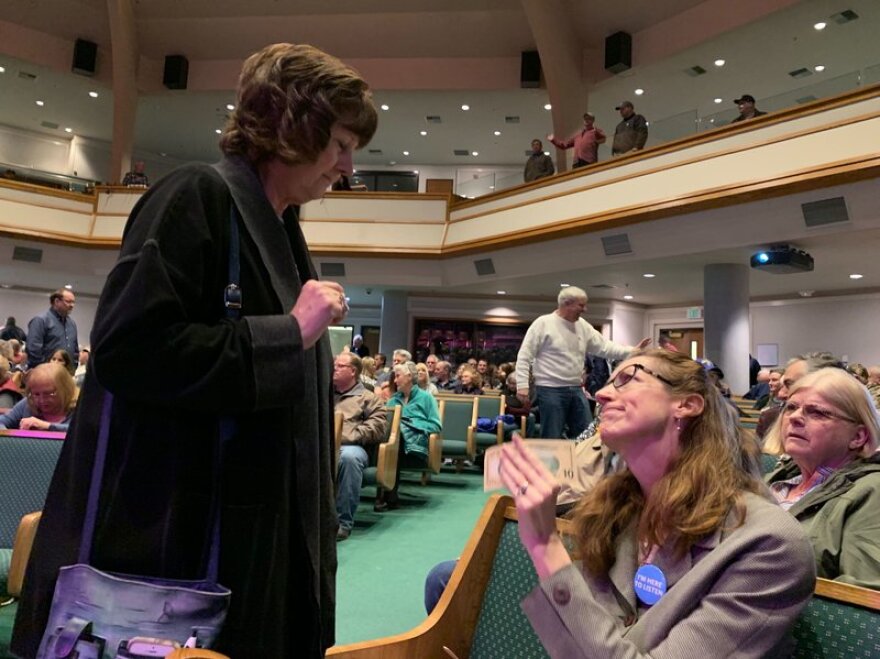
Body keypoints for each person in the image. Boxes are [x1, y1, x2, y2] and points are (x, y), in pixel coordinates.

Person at [12, 42, 377, 659]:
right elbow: (129, 350)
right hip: (186, 538)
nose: (347, 166)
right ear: (291, 125)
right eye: (340, 143)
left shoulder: (281, 226)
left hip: (253, 536)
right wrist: (289, 332)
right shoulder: (194, 197)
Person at [500, 349, 815, 657]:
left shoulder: (770, 543)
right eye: (607, 382)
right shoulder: (618, 509)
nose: (602, 395)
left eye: (627, 378)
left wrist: (544, 545)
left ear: (686, 404)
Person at [763, 367, 880, 589]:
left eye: (817, 412)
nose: (795, 417)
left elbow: (863, 599)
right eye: (791, 407)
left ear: (857, 436)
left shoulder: (872, 492)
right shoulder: (776, 479)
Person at [515, 286, 649, 439]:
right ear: (567, 304)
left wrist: (632, 351)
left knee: (587, 434)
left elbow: (604, 347)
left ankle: (581, 463)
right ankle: (552, 463)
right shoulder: (543, 324)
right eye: (581, 305)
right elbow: (524, 356)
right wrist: (522, 386)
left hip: (576, 388)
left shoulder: (583, 326)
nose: (585, 309)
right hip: (550, 389)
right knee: (552, 436)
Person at [333, 352, 387, 541]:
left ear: (353, 371)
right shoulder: (323, 393)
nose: (335, 368)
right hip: (323, 445)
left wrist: (349, 435)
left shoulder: (368, 397)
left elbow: (378, 425)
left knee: (348, 458)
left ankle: (343, 523)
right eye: (335, 365)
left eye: (340, 366)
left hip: (351, 447)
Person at [377, 361, 442, 511]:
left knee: (394, 440)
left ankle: (384, 494)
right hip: (397, 445)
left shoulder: (426, 398)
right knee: (389, 440)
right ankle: (387, 494)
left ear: (409, 376)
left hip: (417, 445)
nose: (394, 380)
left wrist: (411, 425)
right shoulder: (393, 400)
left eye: (397, 376)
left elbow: (435, 425)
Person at [0, 362, 75, 432]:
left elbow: (82, 432)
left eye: (48, 394)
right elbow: (2, 421)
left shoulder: (79, 408)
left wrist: (47, 426)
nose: (41, 400)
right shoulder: (27, 403)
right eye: (36, 394)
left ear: (65, 390)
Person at [25, 288, 79, 368]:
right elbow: (34, 350)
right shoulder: (40, 321)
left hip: (65, 374)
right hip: (44, 374)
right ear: (56, 301)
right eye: (68, 302)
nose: (72, 305)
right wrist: (46, 370)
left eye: (73, 302)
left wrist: (73, 367)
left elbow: (75, 350)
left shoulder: (72, 324)